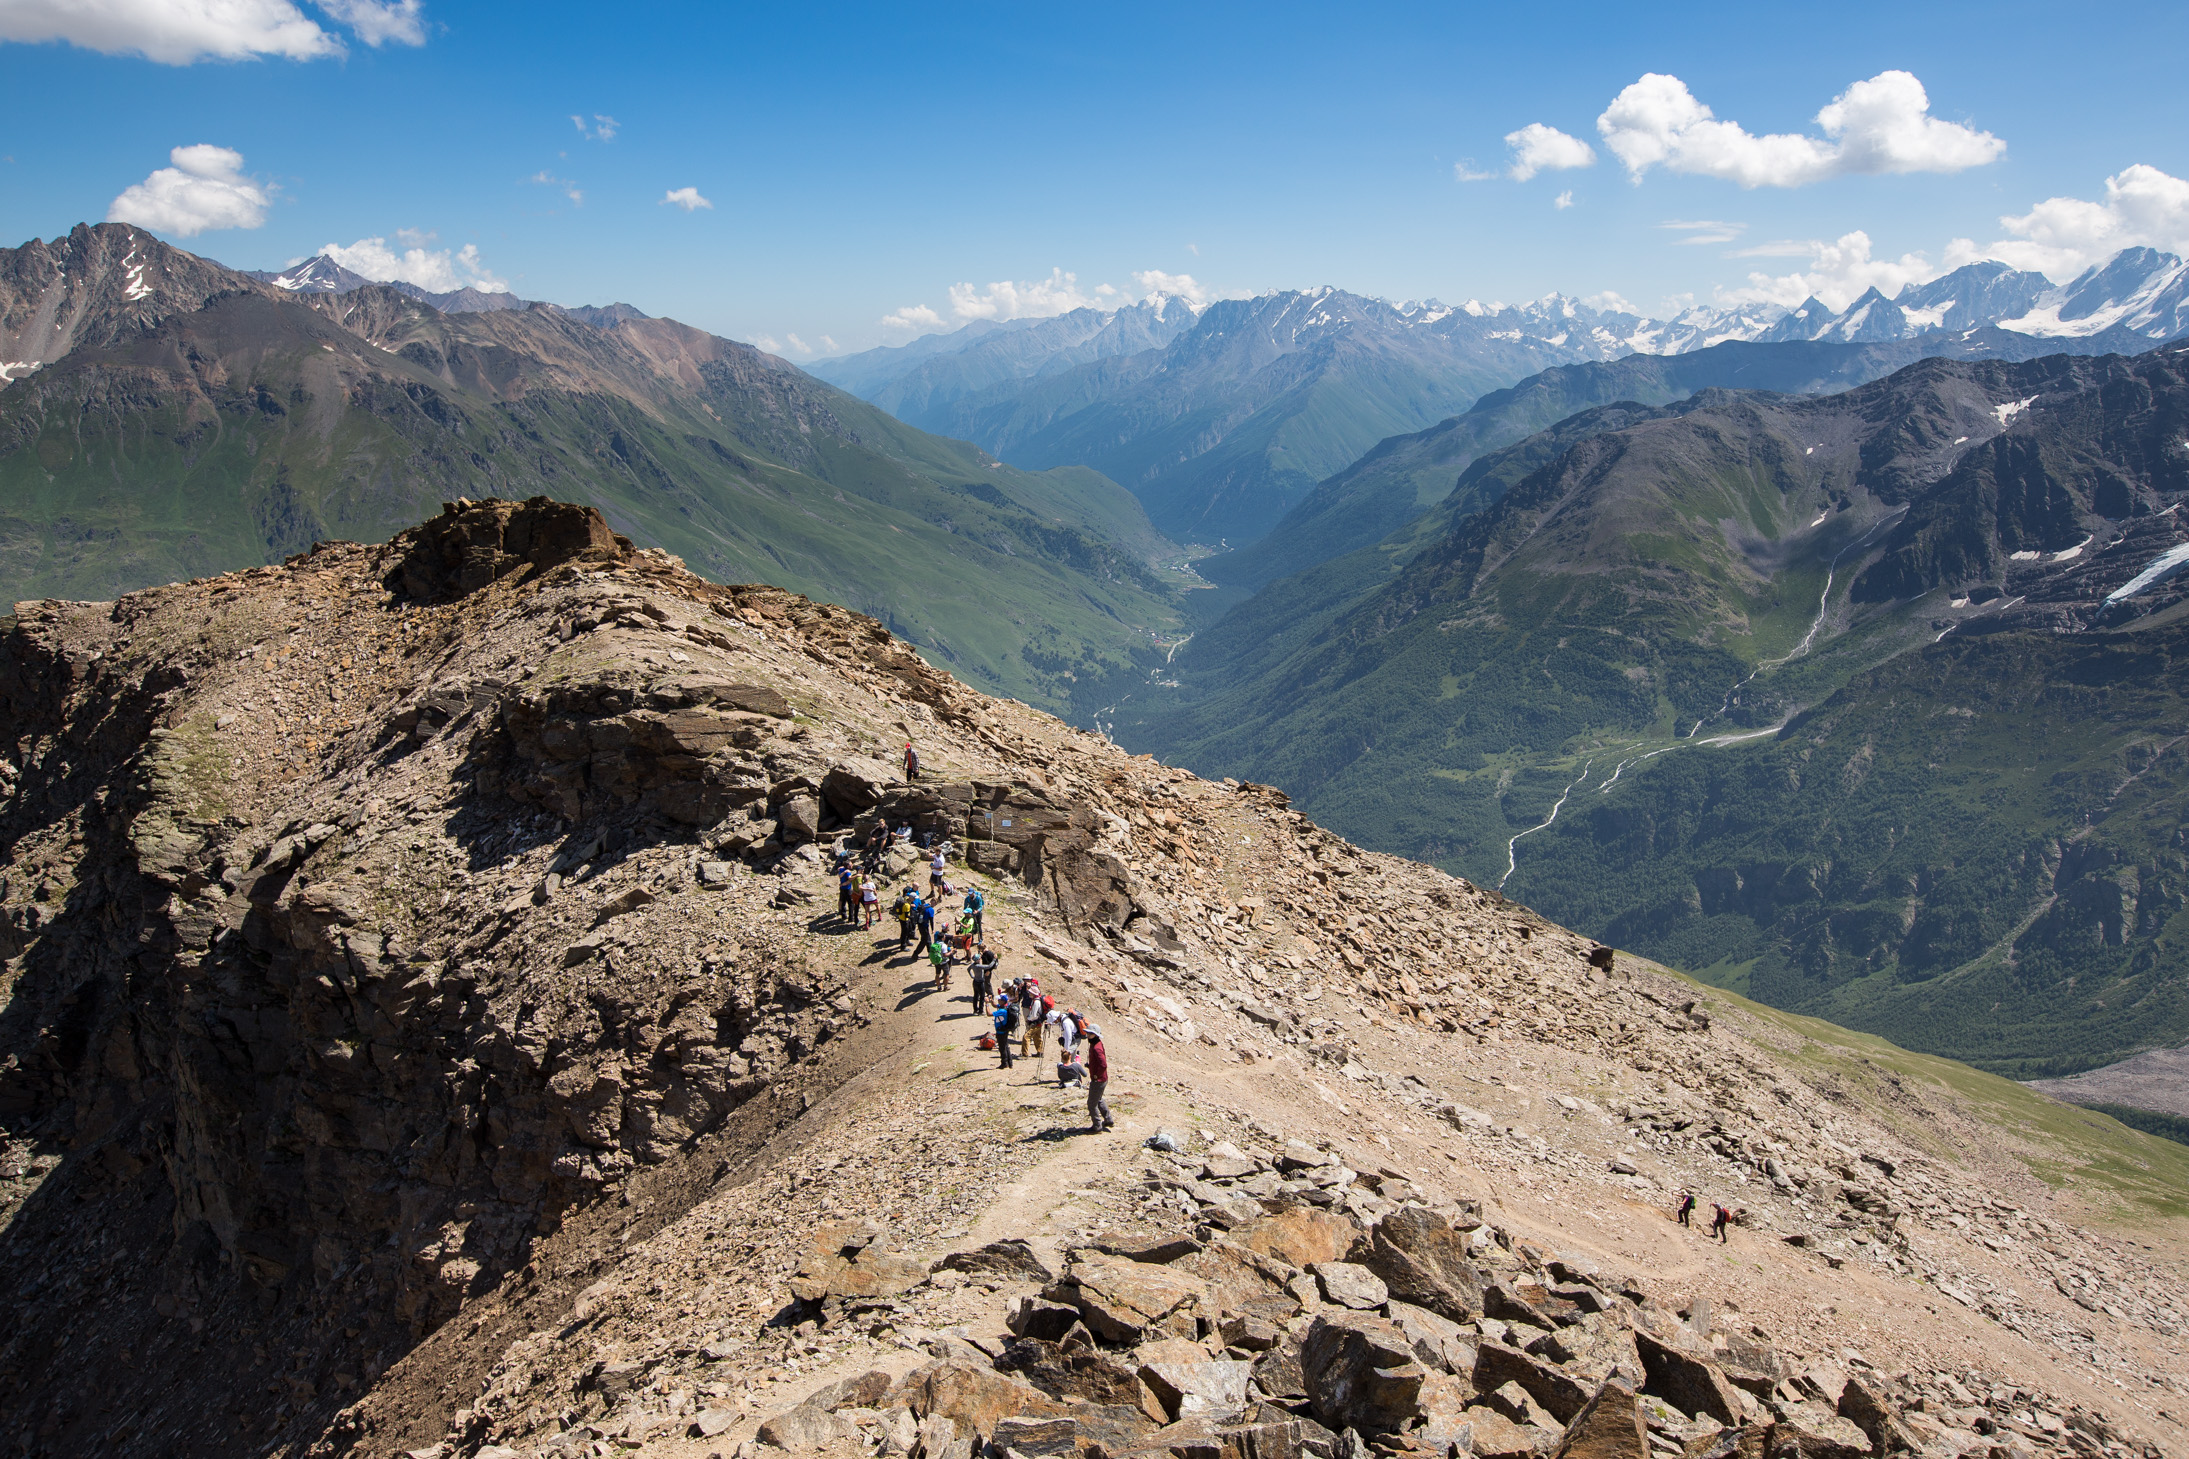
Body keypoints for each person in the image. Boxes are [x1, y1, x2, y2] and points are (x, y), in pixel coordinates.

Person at [1083, 1022, 1113, 1131]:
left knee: (1091, 1103)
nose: (1088, 1036)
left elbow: (1103, 1064)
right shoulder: (1096, 1044)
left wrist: (1096, 1075)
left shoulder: (1096, 1047)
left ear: (1095, 1035)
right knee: (1099, 1099)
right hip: (1102, 1078)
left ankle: (1097, 1125)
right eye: (1088, 1033)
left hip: (1098, 1080)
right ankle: (1108, 1119)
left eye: (1090, 1034)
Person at [992, 993, 1016, 1068]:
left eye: (999, 999)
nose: (998, 1000)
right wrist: (990, 1000)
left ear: (1002, 1001)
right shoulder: (1005, 1007)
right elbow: (995, 1005)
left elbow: (989, 1013)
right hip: (1005, 1029)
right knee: (1006, 1046)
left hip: (1001, 1031)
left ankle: (1004, 1063)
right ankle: (1010, 1062)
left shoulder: (1002, 1011)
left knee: (1002, 1047)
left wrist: (986, 1005)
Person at [970, 948, 997, 1012]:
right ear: (977, 960)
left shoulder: (972, 965)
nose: (980, 959)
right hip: (980, 982)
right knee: (982, 997)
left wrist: (972, 976)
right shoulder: (979, 966)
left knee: (975, 996)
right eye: (979, 958)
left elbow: (968, 969)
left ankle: (975, 1010)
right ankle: (981, 1011)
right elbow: (989, 966)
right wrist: (994, 959)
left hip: (975, 981)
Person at [893, 887, 916, 953]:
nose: (914, 899)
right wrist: (911, 917)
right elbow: (906, 915)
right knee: (904, 933)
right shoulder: (907, 905)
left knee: (907, 931)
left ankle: (907, 941)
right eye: (914, 898)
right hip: (904, 920)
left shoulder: (906, 898)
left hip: (902, 918)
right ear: (911, 898)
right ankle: (903, 946)